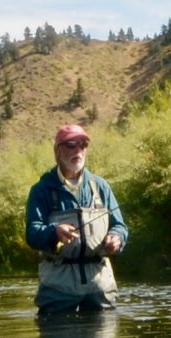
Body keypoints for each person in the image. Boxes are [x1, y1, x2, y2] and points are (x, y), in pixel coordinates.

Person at [24, 123, 128, 314]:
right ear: (57, 151)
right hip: (58, 286)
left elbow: (119, 226)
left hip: (99, 286)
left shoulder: (101, 186)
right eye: (71, 144)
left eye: (83, 144)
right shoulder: (41, 190)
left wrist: (117, 238)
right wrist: (54, 232)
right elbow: (32, 234)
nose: (78, 150)